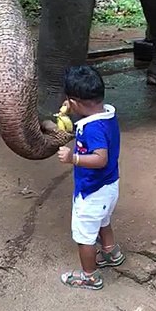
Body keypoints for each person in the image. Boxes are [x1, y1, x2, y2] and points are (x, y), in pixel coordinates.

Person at [55, 65, 124, 290]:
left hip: (93, 190)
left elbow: (100, 158)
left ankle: (89, 276)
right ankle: (111, 252)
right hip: (109, 186)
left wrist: (72, 158)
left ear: (73, 103)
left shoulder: (92, 129)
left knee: (84, 235)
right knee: (103, 220)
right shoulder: (105, 116)